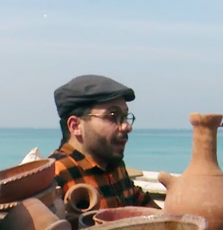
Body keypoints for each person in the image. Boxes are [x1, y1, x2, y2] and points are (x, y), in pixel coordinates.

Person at [49, 74, 154, 209]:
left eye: (125, 117)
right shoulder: (54, 175)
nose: (127, 127)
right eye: (112, 115)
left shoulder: (113, 166)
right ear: (75, 126)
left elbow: (145, 208)